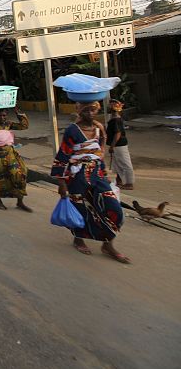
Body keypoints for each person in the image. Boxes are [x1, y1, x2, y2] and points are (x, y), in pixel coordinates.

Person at [52, 101, 128, 263]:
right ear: (80, 111)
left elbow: (99, 153)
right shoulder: (72, 130)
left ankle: (107, 244)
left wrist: (104, 173)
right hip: (76, 176)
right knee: (80, 209)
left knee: (114, 209)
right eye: (86, 110)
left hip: (97, 174)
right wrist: (62, 183)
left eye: (93, 110)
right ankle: (78, 239)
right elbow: (63, 155)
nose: (90, 113)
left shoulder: (99, 128)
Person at [0, 108, 32, 211]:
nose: (2, 118)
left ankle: (20, 202)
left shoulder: (8, 124)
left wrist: (19, 114)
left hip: (11, 154)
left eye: (4, 115)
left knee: (20, 175)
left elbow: (24, 126)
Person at [107, 99, 135, 190]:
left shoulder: (115, 120)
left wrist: (112, 145)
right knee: (118, 163)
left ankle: (129, 183)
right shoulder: (116, 118)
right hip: (118, 144)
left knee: (124, 163)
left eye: (110, 106)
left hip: (119, 145)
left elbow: (117, 133)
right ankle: (119, 180)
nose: (107, 107)